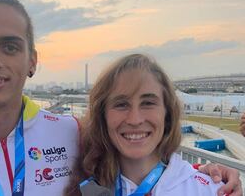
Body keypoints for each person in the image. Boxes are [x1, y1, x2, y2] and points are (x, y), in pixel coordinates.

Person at [0, 0, 241, 196]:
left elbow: (139, 155)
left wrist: (207, 175)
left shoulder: (72, 133)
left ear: (32, 61)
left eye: (10, 47)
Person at [65, 54, 242, 196]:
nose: (134, 119)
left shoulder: (213, 191)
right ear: (102, 116)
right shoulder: (81, 186)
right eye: (121, 104)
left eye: (148, 103)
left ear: (167, 113)